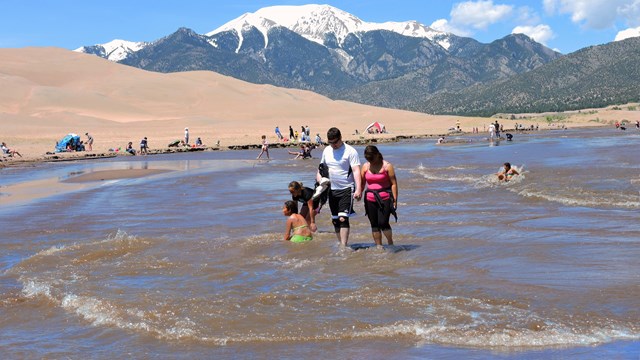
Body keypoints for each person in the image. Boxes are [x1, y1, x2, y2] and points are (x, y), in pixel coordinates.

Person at [317, 127, 362, 247]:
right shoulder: (326, 150)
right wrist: (320, 181)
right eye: (330, 142)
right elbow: (320, 169)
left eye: (335, 142)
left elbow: (356, 171)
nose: (333, 145)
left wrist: (359, 189)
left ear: (340, 138)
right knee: (335, 220)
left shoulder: (350, 151)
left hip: (347, 188)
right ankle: (341, 244)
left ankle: (343, 246)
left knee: (343, 218)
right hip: (331, 189)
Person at [361, 145, 398, 247]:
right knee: (374, 225)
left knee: (383, 223)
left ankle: (390, 243)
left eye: (372, 159)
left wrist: (395, 200)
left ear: (377, 155)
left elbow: (394, 183)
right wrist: (359, 193)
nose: (370, 161)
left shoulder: (387, 166)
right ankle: (379, 247)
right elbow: (362, 183)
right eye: (368, 159)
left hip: (385, 198)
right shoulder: (365, 166)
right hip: (369, 199)